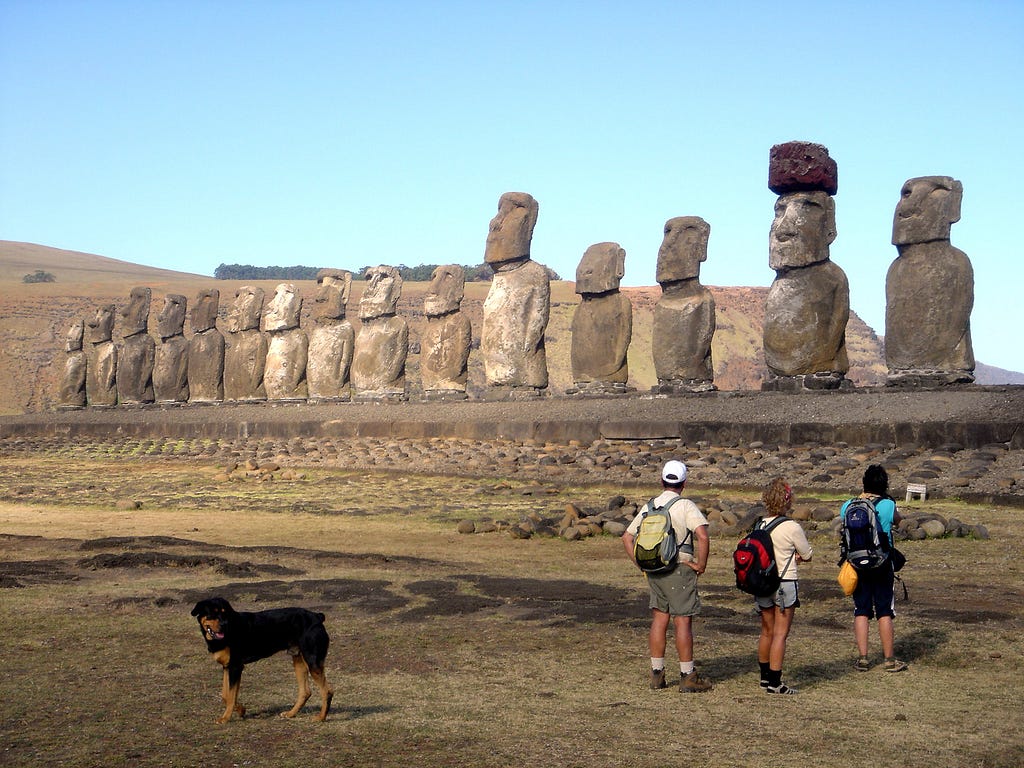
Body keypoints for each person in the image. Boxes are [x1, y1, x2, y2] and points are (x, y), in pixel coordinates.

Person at [621, 460, 712, 693]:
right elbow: (702, 535)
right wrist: (700, 564)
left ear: (662, 481)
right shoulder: (685, 505)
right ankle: (687, 676)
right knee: (683, 622)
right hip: (680, 569)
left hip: (655, 570)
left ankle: (657, 675)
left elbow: (626, 537)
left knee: (659, 620)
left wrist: (641, 565)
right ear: (684, 483)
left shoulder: (651, 505)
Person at [841, 465, 908, 672]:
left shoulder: (848, 505)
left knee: (861, 610)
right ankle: (889, 660)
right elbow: (900, 522)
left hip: (855, 563)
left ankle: (863, 658)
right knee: (884, 611)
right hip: (881, 563)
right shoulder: (888, 504)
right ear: (884, 484)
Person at [754, 477, 813, 695]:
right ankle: (775, 682)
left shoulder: (759, 524)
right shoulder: (791, 526)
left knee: (767, 631)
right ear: (787, 501)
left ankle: (764, 677)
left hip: (762, 583)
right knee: (780, 634)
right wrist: (796, 556)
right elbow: (807, 554)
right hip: (785, 582)